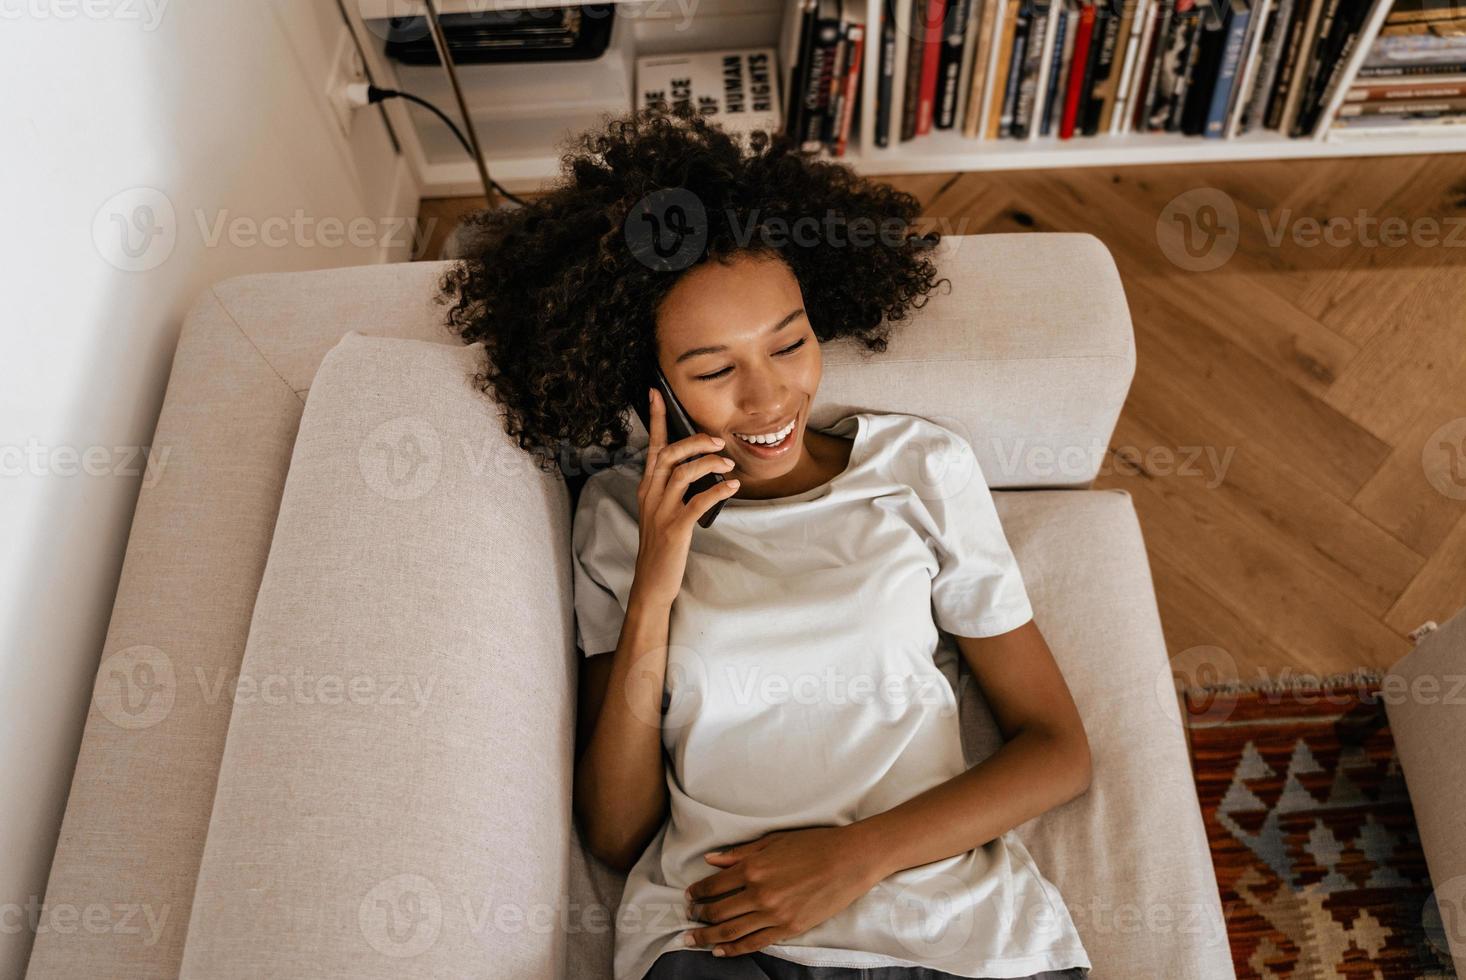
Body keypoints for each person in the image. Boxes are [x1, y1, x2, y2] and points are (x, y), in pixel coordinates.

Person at [440, 104, 1093, 980]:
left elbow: (1056, 750)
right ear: (650, 384)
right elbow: (614, 829)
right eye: (714, 371)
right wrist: (656, 584)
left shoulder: (920, 468)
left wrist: (853, 858)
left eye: (789, 344)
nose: (768, 399)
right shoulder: (616, 514)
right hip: (722, 942)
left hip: (955, 937)